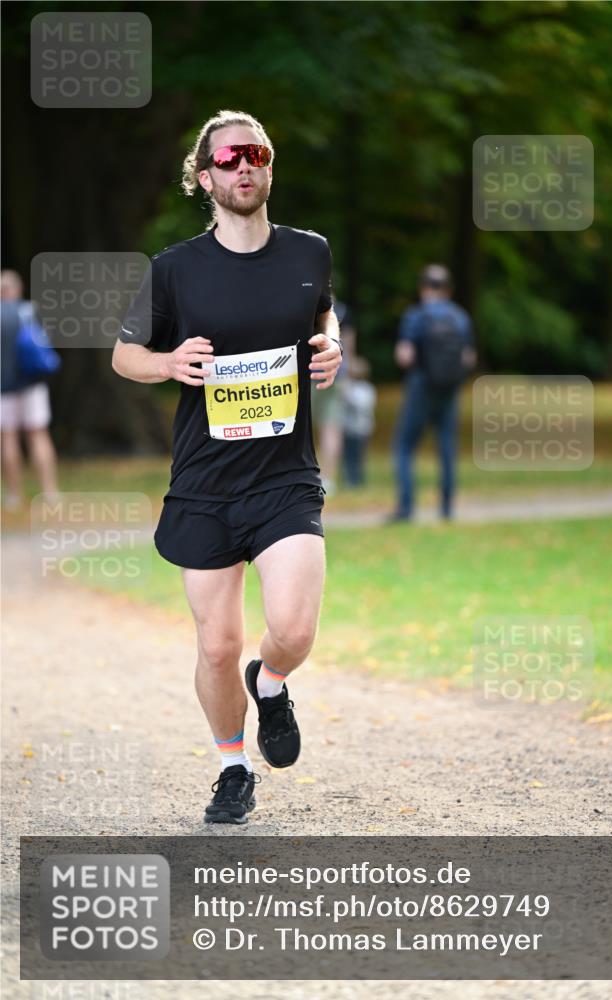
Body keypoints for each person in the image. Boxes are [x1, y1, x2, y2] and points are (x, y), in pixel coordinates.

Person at [112, 110, 343, 825]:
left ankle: (270, 685)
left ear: (269, 166)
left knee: (294, 629)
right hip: (206, 484)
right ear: (205, 175)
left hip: (284, 478)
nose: (245, 166)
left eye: (258, 154)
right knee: (216, 645)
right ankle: (232, 768)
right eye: (230, 157)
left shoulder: (309, 254)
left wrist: (331, 347)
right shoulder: (174, 269)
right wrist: (168, 361)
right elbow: (124, 356)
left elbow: (324, 320)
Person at [390, 264, 476, 521]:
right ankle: (447, 509)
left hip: (420, 386)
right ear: (448, 289)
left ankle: (406, 509)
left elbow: (404, 355)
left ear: (423, 288)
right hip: (449, 389)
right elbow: (469, 358)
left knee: (404, 446)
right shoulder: (460, 317)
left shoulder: (416, 315)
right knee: (447, 447)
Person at [0, 270, 60, 510]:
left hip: (3, 388)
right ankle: (50, 492)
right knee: (39, 435)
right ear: (17, 289)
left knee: (9, 438)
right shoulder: (29, 311)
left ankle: (14, 495)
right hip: (32, 383)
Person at [310, 296, 356, 495]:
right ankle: (328, 479)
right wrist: (348, 376)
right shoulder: (344, 311)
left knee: (299, 428)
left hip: (306, 372)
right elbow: (350, 348)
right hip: (334, 374)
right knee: (331, 428)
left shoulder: (306, 306)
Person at [341, 355, 376, 487]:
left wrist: (347, 394)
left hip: (361, 429)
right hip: (349, 428)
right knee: (348, 456)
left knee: (357, 456)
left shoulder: (366, 389)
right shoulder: (352, 386)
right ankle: (349, 479)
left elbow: (361, 405)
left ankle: (357, 480)